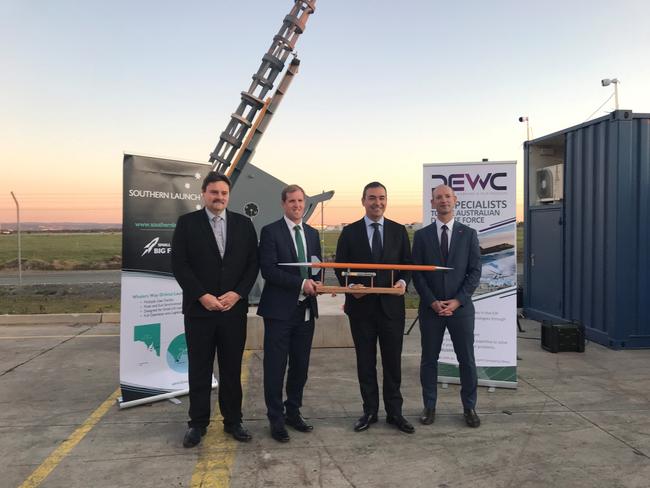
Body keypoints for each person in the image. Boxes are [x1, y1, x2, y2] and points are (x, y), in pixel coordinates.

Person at [171, 172, 258, 447]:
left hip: (233, 311)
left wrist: (237, 293)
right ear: (203, 194)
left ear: (229, 195)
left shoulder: (244, 225)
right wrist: (201, 295)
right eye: (213, 192)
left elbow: (252, 265)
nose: (219, 197)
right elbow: (179, 264)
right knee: (199, 369)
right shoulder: (187, 224)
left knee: (232, 369)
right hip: (200, 312)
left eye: (223, 193)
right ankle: (197, 424)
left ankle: (233, 422)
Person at [335, 181, 414, 434]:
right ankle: (369, 411)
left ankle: (395, 412)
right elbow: (340, 268)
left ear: (386, 201)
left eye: (381, 198)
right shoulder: (350, 232)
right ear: (363, 201)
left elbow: (406, 265)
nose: (377, 202)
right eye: (372, 198)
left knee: (392, 362)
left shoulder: (399, 231)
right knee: (365, 362)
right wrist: (350, 287)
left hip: (392, 309)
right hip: (362, 310)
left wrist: (402, 282)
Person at [412, 184, 482, 428]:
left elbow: (475, 272)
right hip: (431, 310)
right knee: (429, 360)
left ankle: (469, 407)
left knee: (467, 360)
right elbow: (417, 275)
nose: (443, 201)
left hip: (460, 310)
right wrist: (432, 302)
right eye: (438, 197)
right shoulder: (421, 236)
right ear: (432, 203)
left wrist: (457, 300)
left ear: (455, 200)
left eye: (447, 197)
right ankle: (429, 406)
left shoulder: (469, 234)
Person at [257, 184, 321, 443]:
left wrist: (318, 282)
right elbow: (268, 270)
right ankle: (276, 418)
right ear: (283, 204)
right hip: (279, 312)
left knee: (300, 366)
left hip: (306, 310)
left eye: (300, 201)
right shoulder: (271, 231)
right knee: (275, 367)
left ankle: (293, 411)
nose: (297, 205)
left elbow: (316, 264)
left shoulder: (313, 233)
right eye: (292, 201)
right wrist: (300, 284)